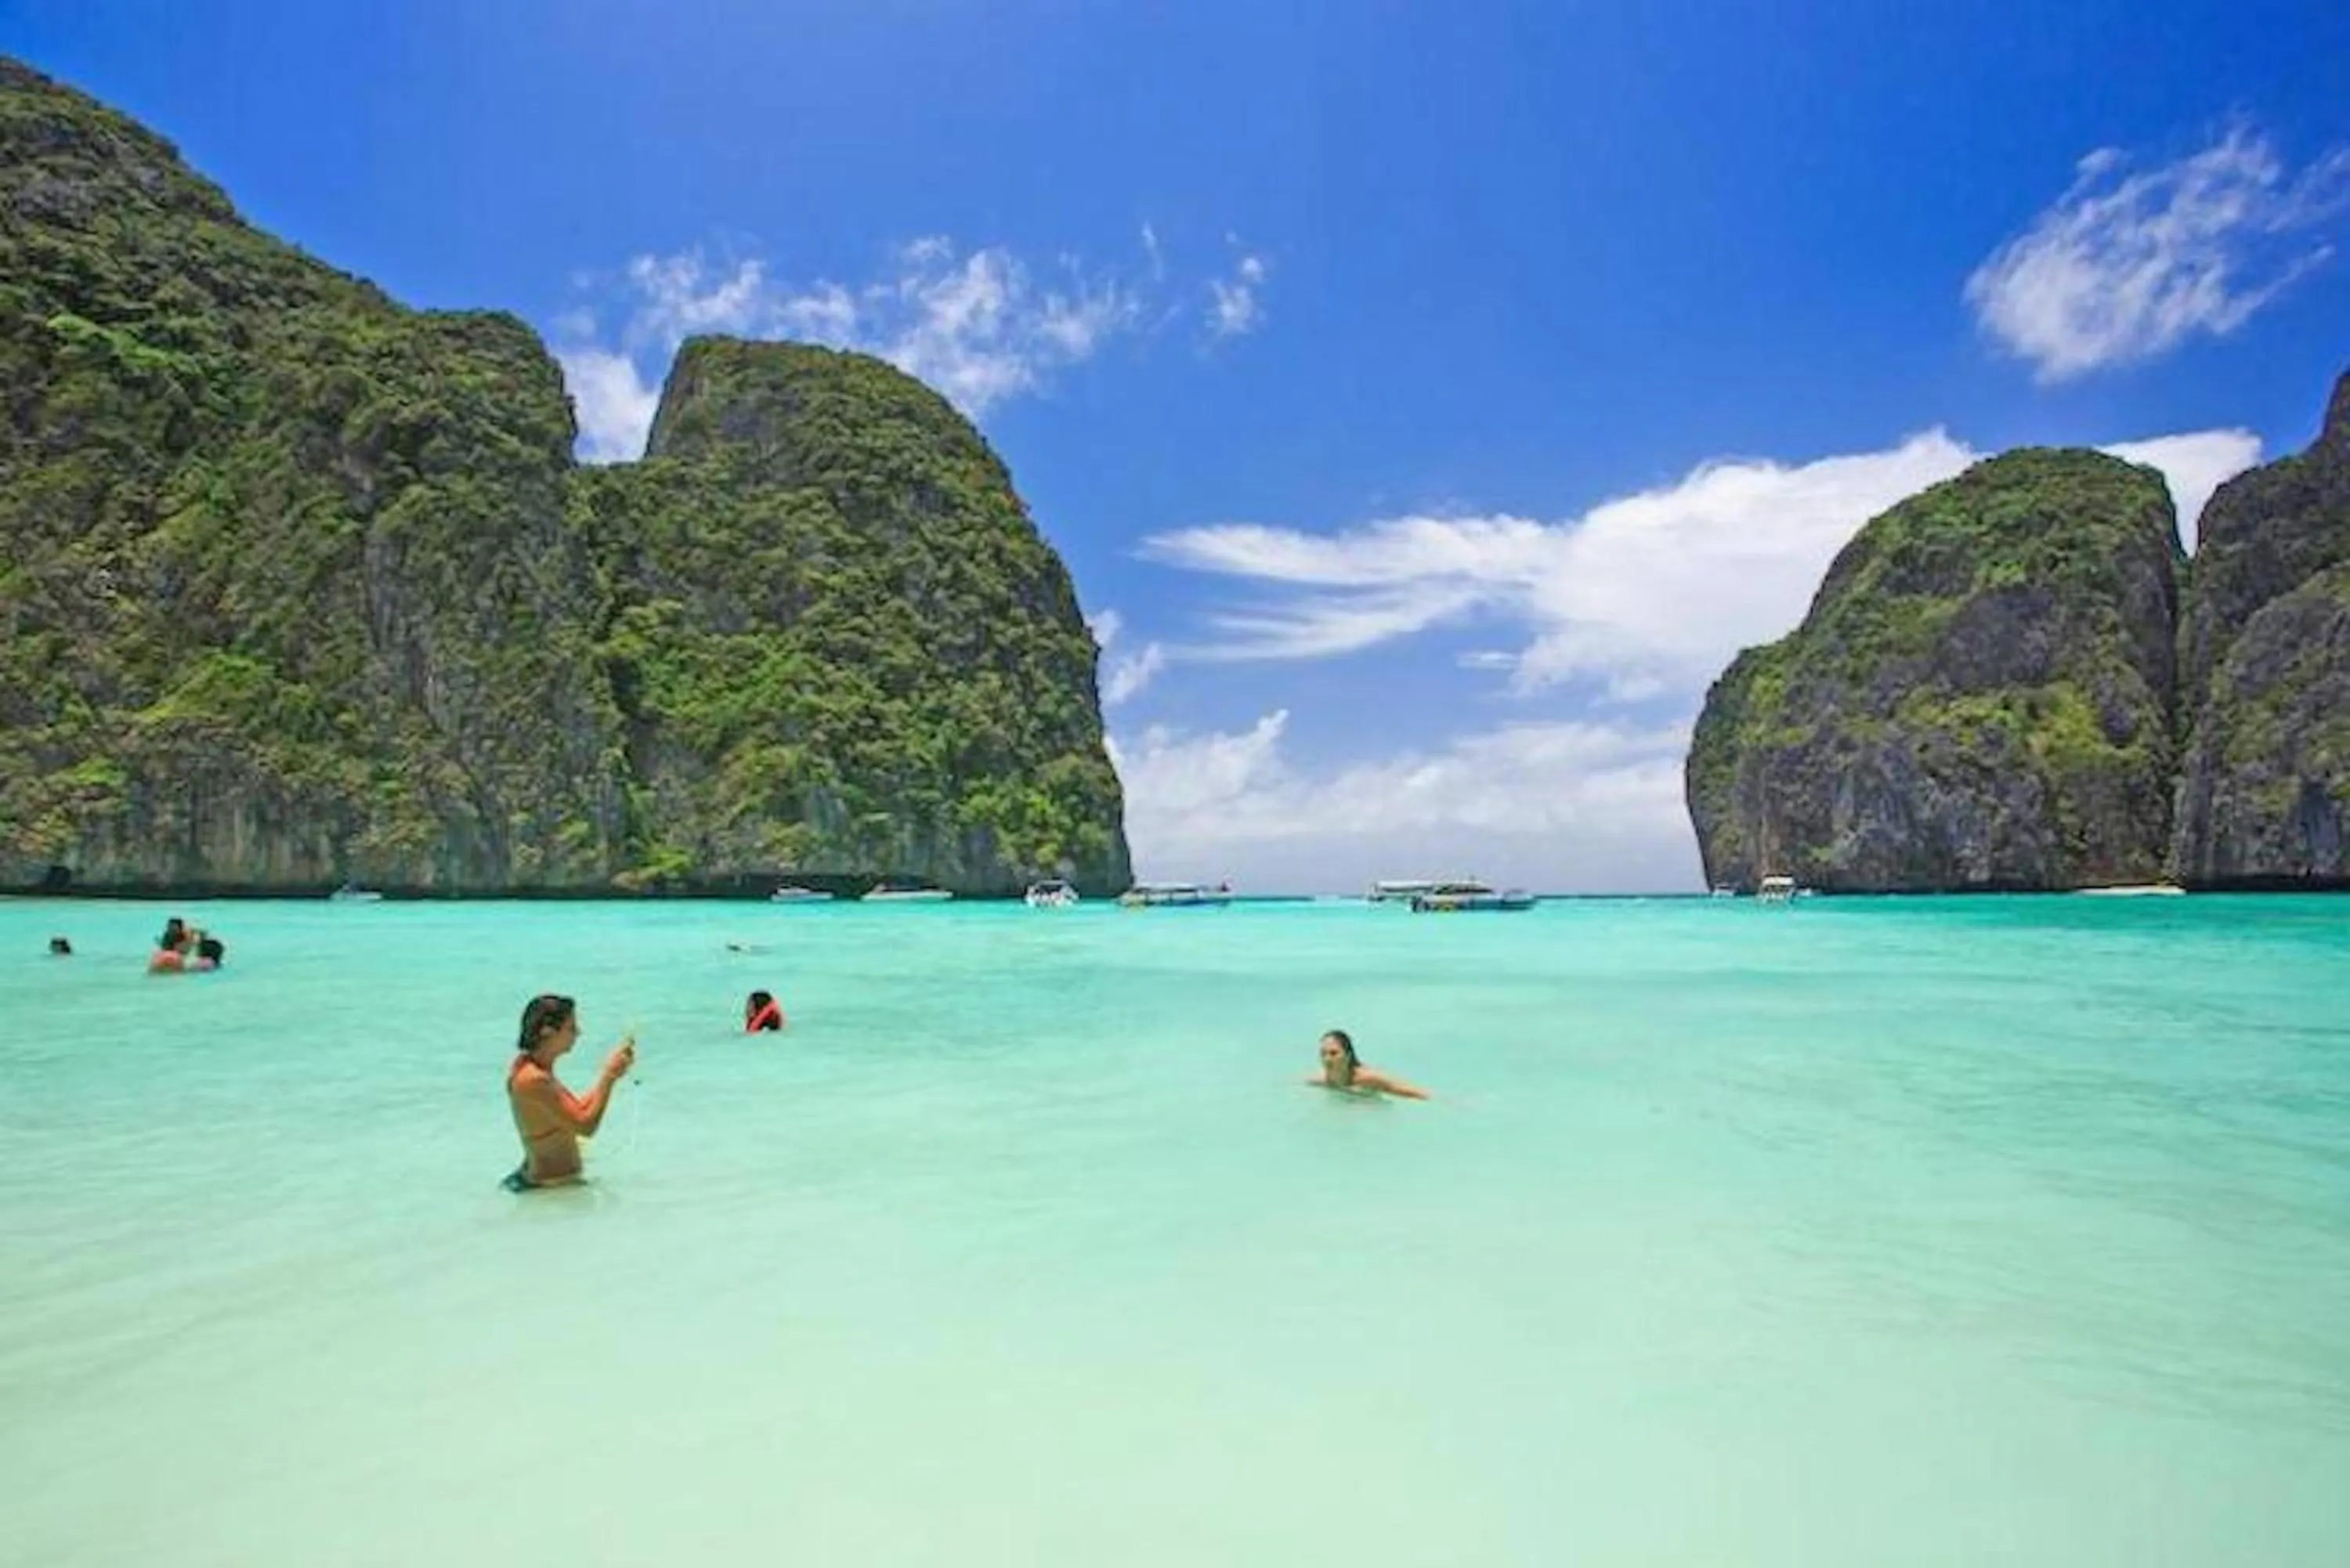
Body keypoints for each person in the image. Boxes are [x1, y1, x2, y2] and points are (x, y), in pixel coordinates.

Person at [503, 994, 634, 1191]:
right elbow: (586, 1126)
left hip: (551, 1184)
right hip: (549, 1188)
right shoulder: (533, 1079)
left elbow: (576, 1110)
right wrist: (607, 1077)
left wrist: (612, 1074)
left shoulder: (535, 1069)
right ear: (547, 1032)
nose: (578, 1033)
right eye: (571, 1028)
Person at [1307, 1029, 1430, 1100]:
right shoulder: (1322, 1081)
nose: (1327, 1059)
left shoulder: (1367, 1078)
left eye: (1334, 1053)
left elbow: (1413, 1092)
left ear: (1348, 1056)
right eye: (1323, 1054)